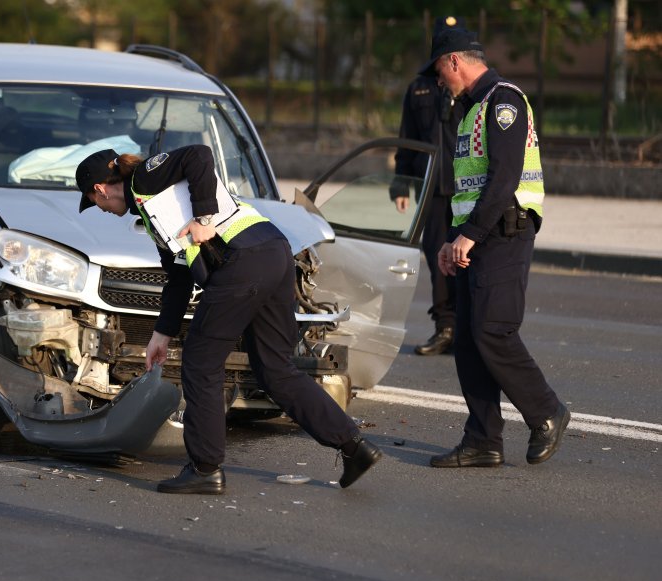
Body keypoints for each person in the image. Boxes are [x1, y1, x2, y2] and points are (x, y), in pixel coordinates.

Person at [76, 145, 381, 493]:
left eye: (94, 202)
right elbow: (177, 278)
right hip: (272, 253)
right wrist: (162, 333)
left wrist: (204, 218)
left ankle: (205, 469)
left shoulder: (145, 177)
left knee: (201, 362)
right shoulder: (150, 209)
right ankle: (353, 446)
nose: (101, 210)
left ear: (100, 189)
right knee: (275, 368)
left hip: (244, 262)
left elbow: (199, 155)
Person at [418, 28, 570, 468]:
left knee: (492, 331)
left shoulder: (503, 102)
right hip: (478, 236)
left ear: (453, 62)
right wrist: (453, 238)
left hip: (504, 233)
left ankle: (547, 412)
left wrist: (469, 234)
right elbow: (469, 187)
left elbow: (504, 179)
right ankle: (483, 439)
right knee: (467, 340)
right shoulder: (470, 111)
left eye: (439, 73)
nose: (439, 83)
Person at [391, 16, 467, 356]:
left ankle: (469, 329)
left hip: (466, 188)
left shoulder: (471, 87)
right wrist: (401, 185)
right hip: (431, 190)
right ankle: (445, 328)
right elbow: (407, 140)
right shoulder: (419, 88)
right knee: (439, 262)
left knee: (468, 260)